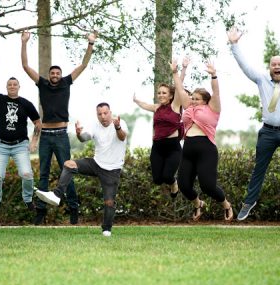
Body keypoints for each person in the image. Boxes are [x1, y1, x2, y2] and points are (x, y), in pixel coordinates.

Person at [21, 30, 98, 225]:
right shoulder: (43, 84)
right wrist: (24, 43)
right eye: (52, 73)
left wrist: (90, 44)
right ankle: (40, 212)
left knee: (68, 170)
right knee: (43, 174)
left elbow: (83, 65)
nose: (55, 75)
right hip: (46, 135)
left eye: (58, 73)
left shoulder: (66, 83)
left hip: (62, 135)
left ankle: (73, 209)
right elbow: (25, 66)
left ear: (61, 75)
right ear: (49, 75)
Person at [35, 102, 127, 236]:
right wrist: (78, 134)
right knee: (69, 164)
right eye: (99, 114)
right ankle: (57, 195)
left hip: (112, 170)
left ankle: (106, 229)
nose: (103, 116)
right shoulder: (96, 125)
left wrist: (117, 127)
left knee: (109, 201)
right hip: (96, 163)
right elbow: (84, 138)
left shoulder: (120, 123)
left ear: (110, 112)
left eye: (105, 113)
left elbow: (122, 137)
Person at [0, 53, 42, 226]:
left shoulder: (26, 104)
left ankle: (28, 200)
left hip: (20, 146)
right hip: (0, 145)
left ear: (19, 87)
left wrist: (34, 141)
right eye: (9, 84)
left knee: (27, 174)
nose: (12, 86)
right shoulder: (0, 99)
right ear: (6, 87)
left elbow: (38, 123)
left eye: (15, 84)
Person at [170, 59, 233, 221]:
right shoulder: (189, 107)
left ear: (205, 100)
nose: (193, 100)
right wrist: (175, 72)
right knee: (183, 185)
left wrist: (214, 75)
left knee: (208, 186)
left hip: (207, 150)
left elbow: (216, 92)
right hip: (188, 150)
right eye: (192, 97)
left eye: (197, 98)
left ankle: (226, 204)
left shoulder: (213, 108)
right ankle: (198, 203)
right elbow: (179, 88)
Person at [228, 27, 280, 221]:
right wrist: (234, 45)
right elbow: (245, 66)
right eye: (274, 64)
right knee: (259, 169)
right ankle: (249, 202)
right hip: (268, 132)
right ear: (269, 67)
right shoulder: (262, 80)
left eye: (279, 64)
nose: (277, 67)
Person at [132, 57, 189, 198]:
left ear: (170, 96)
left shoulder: (175, 106)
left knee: (167, 176)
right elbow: (145, 105)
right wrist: (136, 100)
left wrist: (183, 69)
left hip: (172, 148)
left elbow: (179, 86)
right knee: (157, 179)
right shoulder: (157, 107)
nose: (161, 95)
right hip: (157, 147)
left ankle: (174, 183)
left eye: (164, 93)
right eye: (159, 93)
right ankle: (170, 182)